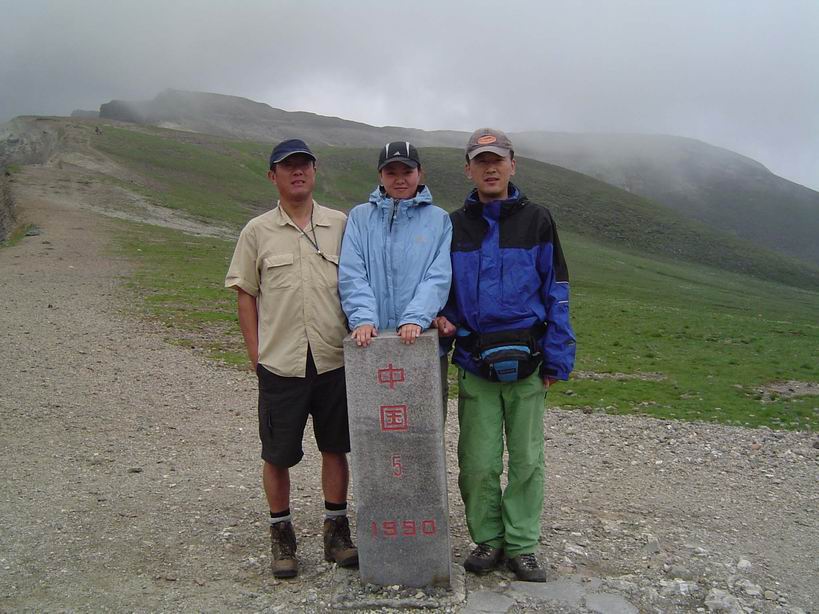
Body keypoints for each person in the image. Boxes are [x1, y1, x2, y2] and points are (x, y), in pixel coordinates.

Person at [436, 128, 576, 582]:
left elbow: (556, 289)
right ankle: (488, 539)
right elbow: (443, 289)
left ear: (513, 165)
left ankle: (522, 544)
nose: (490, 168)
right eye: (481, 161)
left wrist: (557, 356)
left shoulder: (538, 220)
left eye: (498, 160)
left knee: (527, 460)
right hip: (475, 361)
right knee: (478, 461)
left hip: (529, 361)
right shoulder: (453, 225)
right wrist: (445, 320)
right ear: (468, 170)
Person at [225, 139, 357, 579]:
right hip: (281, 364)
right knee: (277, 454)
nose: (297, 172)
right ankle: (281, 535)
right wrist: (255, 354)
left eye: (304, 165)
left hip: (335, 359)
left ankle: (337, 532)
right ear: (273, 176)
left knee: (335, 447)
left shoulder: (341, 224)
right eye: (287, 167)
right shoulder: (256, 231)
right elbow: (245, 293)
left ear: (314, 171)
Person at [338, 141, 452, 404]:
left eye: (407, 172)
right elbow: (352, 273)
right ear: (380, 175)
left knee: (423, 417)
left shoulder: (439, 219)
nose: (400, 179)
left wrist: (416, 318)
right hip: (370, 342)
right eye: (391, 172)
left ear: (419, 173)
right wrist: (363, 319)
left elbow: (438, 276)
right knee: (377, 416)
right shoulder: (359, 217)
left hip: (420, 339)